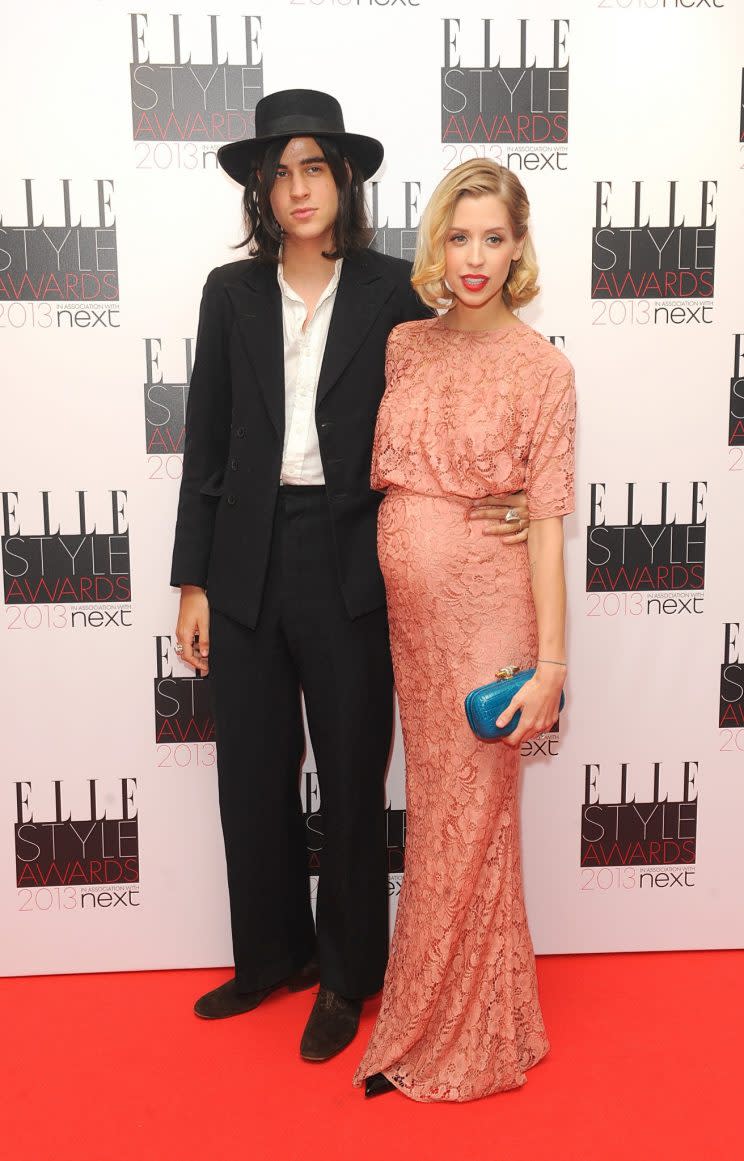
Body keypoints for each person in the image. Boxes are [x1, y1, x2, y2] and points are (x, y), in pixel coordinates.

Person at [170, 91, 531, 1063]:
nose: (298, 188)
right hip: (242, 560)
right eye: (280, 171)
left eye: (315, 168)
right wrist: (191, 581)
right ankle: (270, 956)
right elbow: (204, 443)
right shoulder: (227, 292)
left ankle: (344, 976)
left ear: (344, 179)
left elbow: (468, 383)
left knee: (350, 772)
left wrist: (511, 494)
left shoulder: (391, 294)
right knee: (250, 771)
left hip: (351, 560)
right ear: (260, 187)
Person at [354, 159, 576, 1101]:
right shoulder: (407, 344)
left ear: (520, 246)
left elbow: (551, 522)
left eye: (494, 237)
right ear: (438, 242)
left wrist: (553, 664)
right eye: (459, 236)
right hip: (414, 623)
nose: (475, 257)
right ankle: (492, 1007)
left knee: (462, 820)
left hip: (491, 617)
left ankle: (430, 1026)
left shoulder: (545, 369)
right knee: (464, 820)